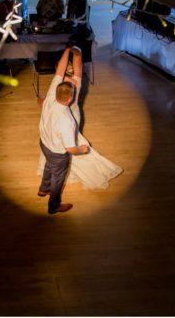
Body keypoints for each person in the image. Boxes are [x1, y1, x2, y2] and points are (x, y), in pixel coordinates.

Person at [37, 46, 123, 210]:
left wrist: (67, 50)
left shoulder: (51, 94)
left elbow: (59, 72)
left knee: (48, 165)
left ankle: (43, 189)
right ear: (70, 99)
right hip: (57, 151)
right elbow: (69, 148)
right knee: (58, 178)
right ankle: (53, 205)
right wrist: (83, 149)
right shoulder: (67, 119)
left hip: (44, 143)